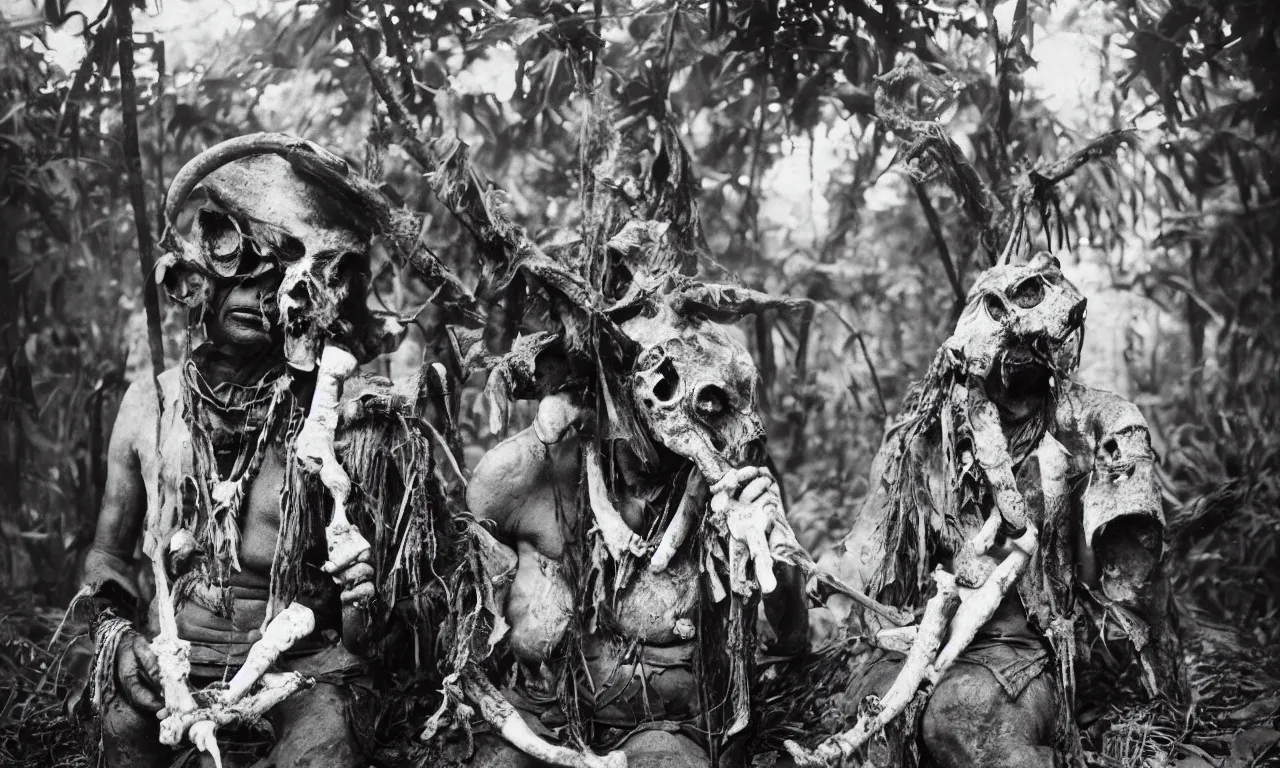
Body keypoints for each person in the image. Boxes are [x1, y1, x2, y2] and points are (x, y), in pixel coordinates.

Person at [74, 135, 449, 768]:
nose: (253, 294)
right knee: (123, 737)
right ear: (194, 283)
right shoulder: (152, 405)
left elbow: (398, 610)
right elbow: (107, 561)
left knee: (323, 753)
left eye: (272, 277)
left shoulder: (342, 415)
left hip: (306, 668)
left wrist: (367, 601)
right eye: (236, 273)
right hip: (177, 655)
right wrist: (118, 636)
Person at [814, 251, 1185, 768]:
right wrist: (812, 573)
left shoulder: (1090, 426)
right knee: (876, 729)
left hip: (1020, 651)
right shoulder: (923, 438)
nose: (1015, 330)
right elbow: (866, 554)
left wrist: (1150, 669)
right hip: (923, 639)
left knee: (962, 721)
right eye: (997, 310)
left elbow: (1133, 579)